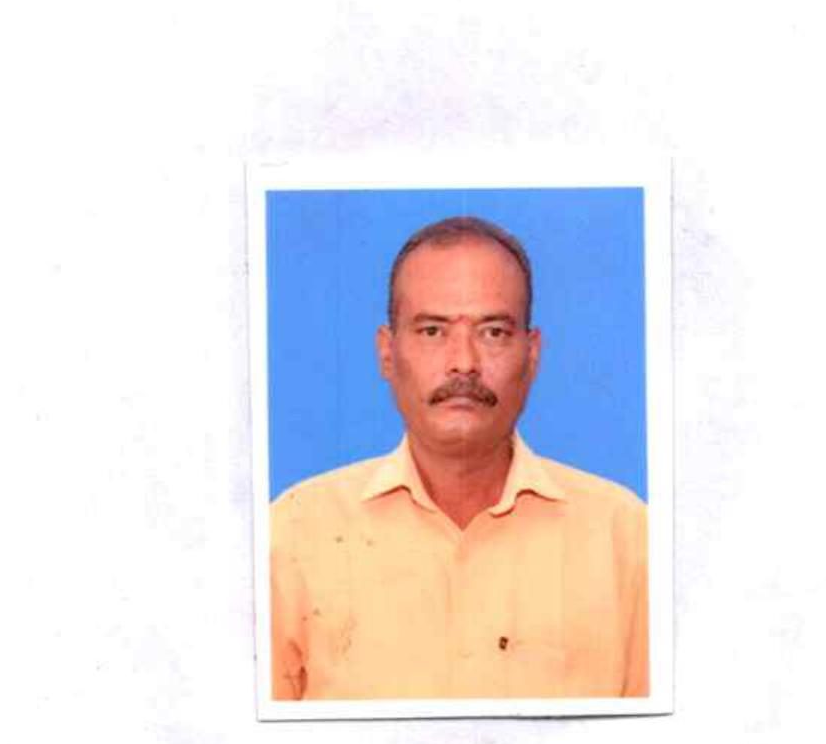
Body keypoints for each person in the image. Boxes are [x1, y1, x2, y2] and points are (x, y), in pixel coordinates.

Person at [269, 214, 649, 702]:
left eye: (493, 332)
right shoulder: (293, 534)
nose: (464, 363)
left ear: (532, 354)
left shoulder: (626, 539)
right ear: (387, 353)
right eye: (432, 331)